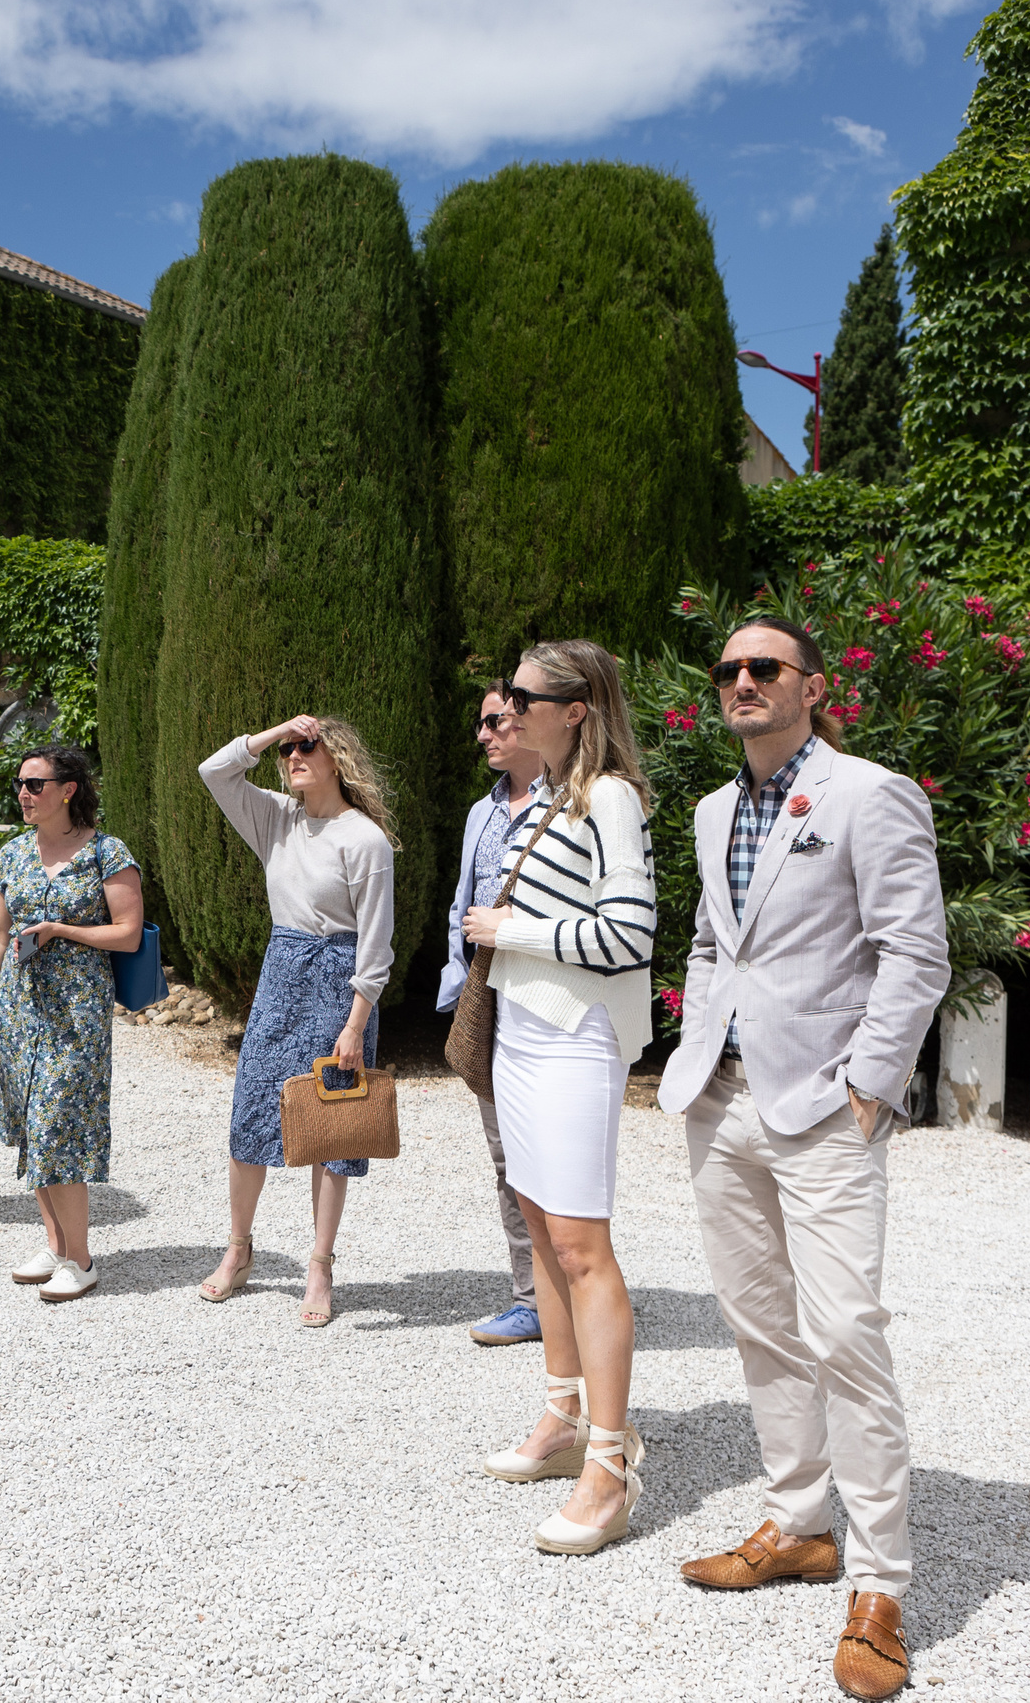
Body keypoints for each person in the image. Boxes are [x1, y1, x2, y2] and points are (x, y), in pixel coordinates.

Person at [657, 615, 948, 1702]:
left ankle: (878, 1585)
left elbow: (915, 951)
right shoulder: (711, 809)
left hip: (825, 1106)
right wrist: (693, 1045)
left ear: (812, 686)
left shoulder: (870, 795)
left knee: (845, 1334)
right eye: (728, 668)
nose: (741, 680)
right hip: (720, 1098)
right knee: (759, 1323)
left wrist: (868, 1084)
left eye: (764, 666)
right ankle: (796, 1523)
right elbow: (709, 941)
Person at [464, 639, 656, 1555]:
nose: (508, 706)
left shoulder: (609, 796)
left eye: (525, 695)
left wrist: (514, 928)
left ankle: (610, 1466)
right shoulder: (544, 797)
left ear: (576, 709)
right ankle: (562, 1415)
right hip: (523, 1032)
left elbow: (630, 934)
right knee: (541, 1229)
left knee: (582, 1247)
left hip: (577, 1035)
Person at [193, 714, 397, 1328]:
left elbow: (375, 948)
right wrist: (275, 731)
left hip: (338, 984)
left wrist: (355, 1025)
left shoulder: (365, 840)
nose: (294, 756)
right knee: (251, 1113)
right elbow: (214, 771)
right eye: (289, 749)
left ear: (338, 758)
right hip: (281, 975)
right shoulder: (277, 817)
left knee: (332, 1130)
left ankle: (320, 1266)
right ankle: (238, 1249)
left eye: (308, 746)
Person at [0, 747, 144, 1302]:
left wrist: (62, 930)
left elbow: (128, 934)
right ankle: (57, 1245)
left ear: (68, 790)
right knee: (31, 1126)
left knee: (56, 1124)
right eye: (20, 784)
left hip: (75, 1012)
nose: (24, 793)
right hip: (18, 1009)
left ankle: (81, 1260)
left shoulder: (106, 853)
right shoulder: (11, 855)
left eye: (35, 784)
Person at [440, 684, 546, 1347]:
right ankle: (531, 1299)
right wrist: (458, 986)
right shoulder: (482, 812)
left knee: (555, 1155)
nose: (483, 734)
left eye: (494, 721)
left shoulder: (571, 804)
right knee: (507, 1158)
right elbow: (462, 903)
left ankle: (575, 1288)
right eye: (480, 723)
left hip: (548, 1003)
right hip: (488, 1002)